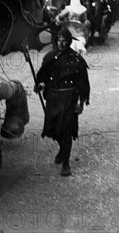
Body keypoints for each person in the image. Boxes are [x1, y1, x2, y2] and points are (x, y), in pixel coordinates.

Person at [35, 28, 90, 177]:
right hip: (53, 98)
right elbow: (43, 77)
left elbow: (83, 84)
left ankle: (66, 162)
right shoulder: (50, 57)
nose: (61, 43)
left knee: (66, 131)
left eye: (64, 40)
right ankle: (62, 149)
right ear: (55, 41)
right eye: (59, 40)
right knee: (54, 129)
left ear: (69, 41)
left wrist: (81, 102)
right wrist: (40, 85)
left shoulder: (77, 60)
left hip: (69, 100)